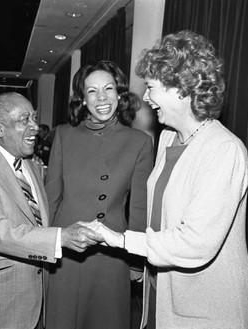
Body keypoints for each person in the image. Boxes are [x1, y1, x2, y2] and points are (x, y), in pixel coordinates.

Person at [88, 30, 248, 329]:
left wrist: (121, 239)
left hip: (206, 306)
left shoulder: (225, 150)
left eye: (152, 88)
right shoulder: (167, 139)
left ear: (181, 88)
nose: (147, 98)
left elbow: (196, 244)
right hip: (161, 292)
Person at [0, 92, 102, 329]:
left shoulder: (31, 166)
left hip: (34, 297)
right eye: (24, 119)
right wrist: (60, 237)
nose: (35, 126)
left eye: (34, 117)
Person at [45, 60, 154, 329]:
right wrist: (44, 247)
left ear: (120, 93)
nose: (102, 98)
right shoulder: (64, 135)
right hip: (65, 253)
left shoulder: (139, 142)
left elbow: (139, 208)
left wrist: (136, 263)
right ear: (82, 99)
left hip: (112, 254)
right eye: (92, 91)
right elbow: (51, 198)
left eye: (108, 89)